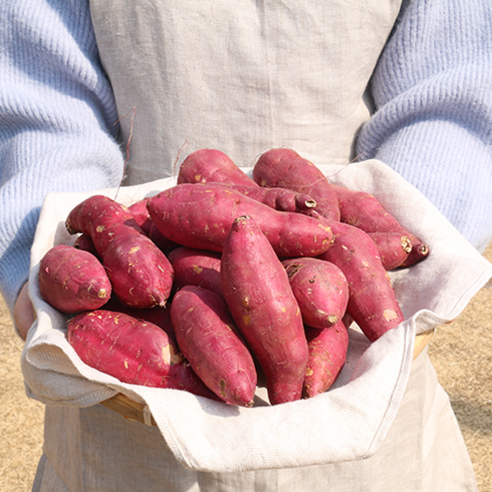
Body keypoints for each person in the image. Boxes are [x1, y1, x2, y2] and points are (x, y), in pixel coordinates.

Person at [2, 0, 491, 490]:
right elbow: (39, 94)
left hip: (366, 375)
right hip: (129, 405)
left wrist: (418, 232)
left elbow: (455, 90)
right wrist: (36, 253)